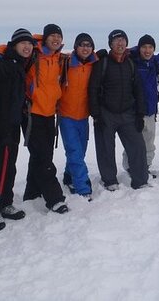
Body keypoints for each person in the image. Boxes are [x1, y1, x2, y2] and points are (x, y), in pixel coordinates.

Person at [0, 29, 33, 232]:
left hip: (11, 124)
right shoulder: (3, 65)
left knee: (9, 164)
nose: (27, 46)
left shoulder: (16, 64)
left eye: (29, 43)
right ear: (14, 45)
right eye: (23, 43)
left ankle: (6, 203)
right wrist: (1, 124)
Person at [88, 29, 149, 190]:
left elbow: (138, 89)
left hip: (128, 112)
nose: (120, 43)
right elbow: (93, 88)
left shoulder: (130, 63)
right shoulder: (103, 62)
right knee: (106, 148)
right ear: (110, 44)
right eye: (116, 41)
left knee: (137, 146)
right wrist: (95, 114)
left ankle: (140, 180)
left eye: (123, 40)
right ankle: (110, 181)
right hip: (106, 113)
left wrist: (140, 113)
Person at [22, 24, 68, 213]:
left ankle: (32, 192)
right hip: (31, 114)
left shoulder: (60, 58)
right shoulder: (33, 53)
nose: (56, 39)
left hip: (50, 114)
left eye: (59, 36)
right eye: (52, 36)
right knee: (43, 158)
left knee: (42, 155)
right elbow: (3, 50)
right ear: (45, 37)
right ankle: (54, 198)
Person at [122, 34, 159, 178]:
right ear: (139, 48)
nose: (147, 50)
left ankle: (146, 166)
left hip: (150, 110)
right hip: (134, 110)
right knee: (133, 142)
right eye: (144, 47)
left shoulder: (154, 63)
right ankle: (130, 168)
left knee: (149, 142)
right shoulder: (131, 62)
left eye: (150, 47)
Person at [59, 33, 98, 200]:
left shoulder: (94, 64)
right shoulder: (65, 62)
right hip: (66, 115)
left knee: (80, 150)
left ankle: (69, 176)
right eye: (82, 44)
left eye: (89, 45)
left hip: (83, 116)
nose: (85, 48)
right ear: (76, 47)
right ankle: (82, 187)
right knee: (74, 151)